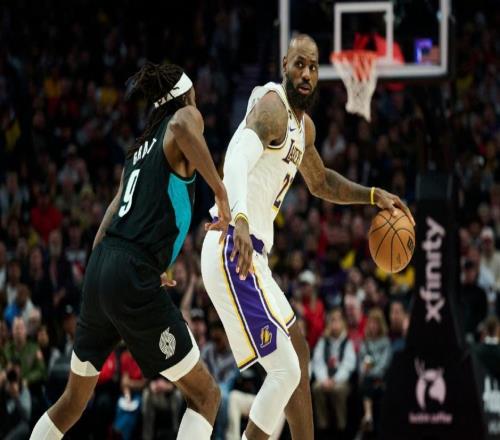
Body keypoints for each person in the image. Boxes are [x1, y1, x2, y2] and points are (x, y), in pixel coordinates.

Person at [201, 34, 414, 440]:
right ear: (285, 64)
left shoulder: (303, 128)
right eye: (299, 64)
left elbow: (321, 182)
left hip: (254, 255)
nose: (306, 74)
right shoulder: (272, 108)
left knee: (297, 353)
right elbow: (236, 158)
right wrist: (240, 218)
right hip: (234, 246)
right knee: (286, 370)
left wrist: (373, 195)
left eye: (313, 67)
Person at [30, 61, 231, 439]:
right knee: (206, 395)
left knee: (72, 400)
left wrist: (134, 266)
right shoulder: (184, 117)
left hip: (102, 266)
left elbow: (111, 218)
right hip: (130, 271)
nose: (197, 105)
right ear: (185, 96)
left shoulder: (137, 152)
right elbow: (183, 125)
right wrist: (220, 192)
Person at [311, 307, 356, 437]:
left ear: (343, 323)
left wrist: (334, 380)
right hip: (325, 379)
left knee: (338, 390)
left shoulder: (347, 341)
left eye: (338, 320)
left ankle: (342, 428)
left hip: (340, 380)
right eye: (332, 320)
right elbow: (317, 362)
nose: (335, 323)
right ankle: (323, 427)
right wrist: (324, 379)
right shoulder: (323, 341)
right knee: (316, 388)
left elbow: (348, 365)